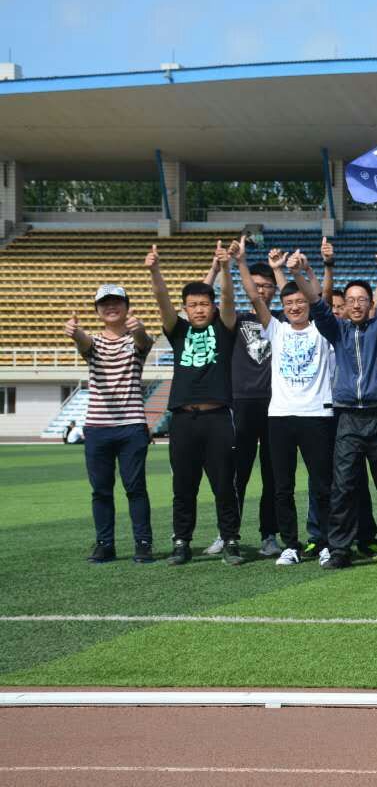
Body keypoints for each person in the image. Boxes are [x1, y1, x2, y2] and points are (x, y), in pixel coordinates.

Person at [234, 242, 336, 567]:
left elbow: (321, 294)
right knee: (283, 486)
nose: (294, 307)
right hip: (279, 417)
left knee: (322, 485)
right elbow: (254, 296)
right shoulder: (275, 329)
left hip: (317, 415)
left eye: (300, 301)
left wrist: (307, 270)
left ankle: (326, 543)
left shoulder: (322, 330)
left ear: (309, 303)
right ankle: (290, 544)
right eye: (288, 303)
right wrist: (241, 262)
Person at [300, 249, 377, 570]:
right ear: (344, 306)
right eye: (351, 300)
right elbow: (317, 305)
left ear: (370, 303)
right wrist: (300, 273)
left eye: (362, 299)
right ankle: (340, 550)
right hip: (347, 418)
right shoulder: (337, 330)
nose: (356, 304)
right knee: (343, 487)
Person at [147, 241, 241, 566]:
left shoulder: (224, 328)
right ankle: (181, 542)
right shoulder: (178, 331)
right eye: (192, 305)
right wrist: (155, 271)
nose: (199, 310)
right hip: (184, 420)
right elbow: (162, 300)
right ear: (185, 309)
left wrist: (225, 267)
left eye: (204, 304)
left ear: (212, 307)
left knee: (224, 485)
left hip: (218, 418)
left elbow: (228, 299)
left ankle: (231, 540)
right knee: (183, 486)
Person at [65, 285, 155, 563]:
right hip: (97, 427)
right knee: (101, 490)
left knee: (135, 488)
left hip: (131, 426)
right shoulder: (93, 342)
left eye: (117, 302)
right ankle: (105, 545)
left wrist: (138, 329)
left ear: (127, 307)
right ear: (97, 310)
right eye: (104, 303)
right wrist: (75, 332)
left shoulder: (136, 339)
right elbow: (84, 343)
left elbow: (143, 341)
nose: (111, 307)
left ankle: (143, 544)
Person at [202, 251, 281, 559]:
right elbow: (203, 301)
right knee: (236, 475)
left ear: (274, 289)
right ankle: (227, 533)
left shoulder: (283, 319)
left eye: (267, 286)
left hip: (276, 405)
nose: (261, 290)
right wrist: (216, 268)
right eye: (256, 285)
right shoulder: (234, 318)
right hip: (241, 403)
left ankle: (269, 535)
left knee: (273, 476)